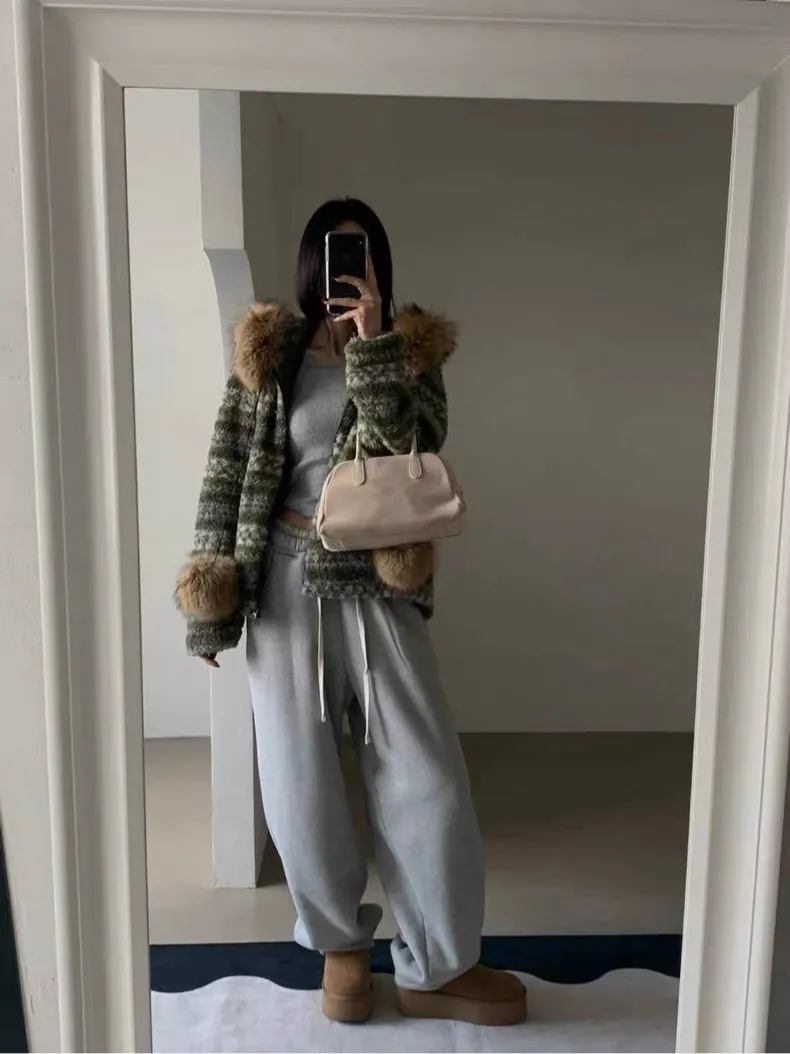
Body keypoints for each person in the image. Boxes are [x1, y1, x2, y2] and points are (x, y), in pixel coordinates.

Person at [175, 198, 527, 1027]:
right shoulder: (268, 357)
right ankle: (338, 945)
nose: (348, 268)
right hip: (284, 581)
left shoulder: (410, 351)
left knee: (426, 775)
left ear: (379, 265)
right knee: (297, 778)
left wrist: (371, 348)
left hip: (376, 581)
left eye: (361, 254)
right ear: (311, 264)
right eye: (335, 254)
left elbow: (414, 445)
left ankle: (438, 963)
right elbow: (226, 472)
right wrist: (210, 605)